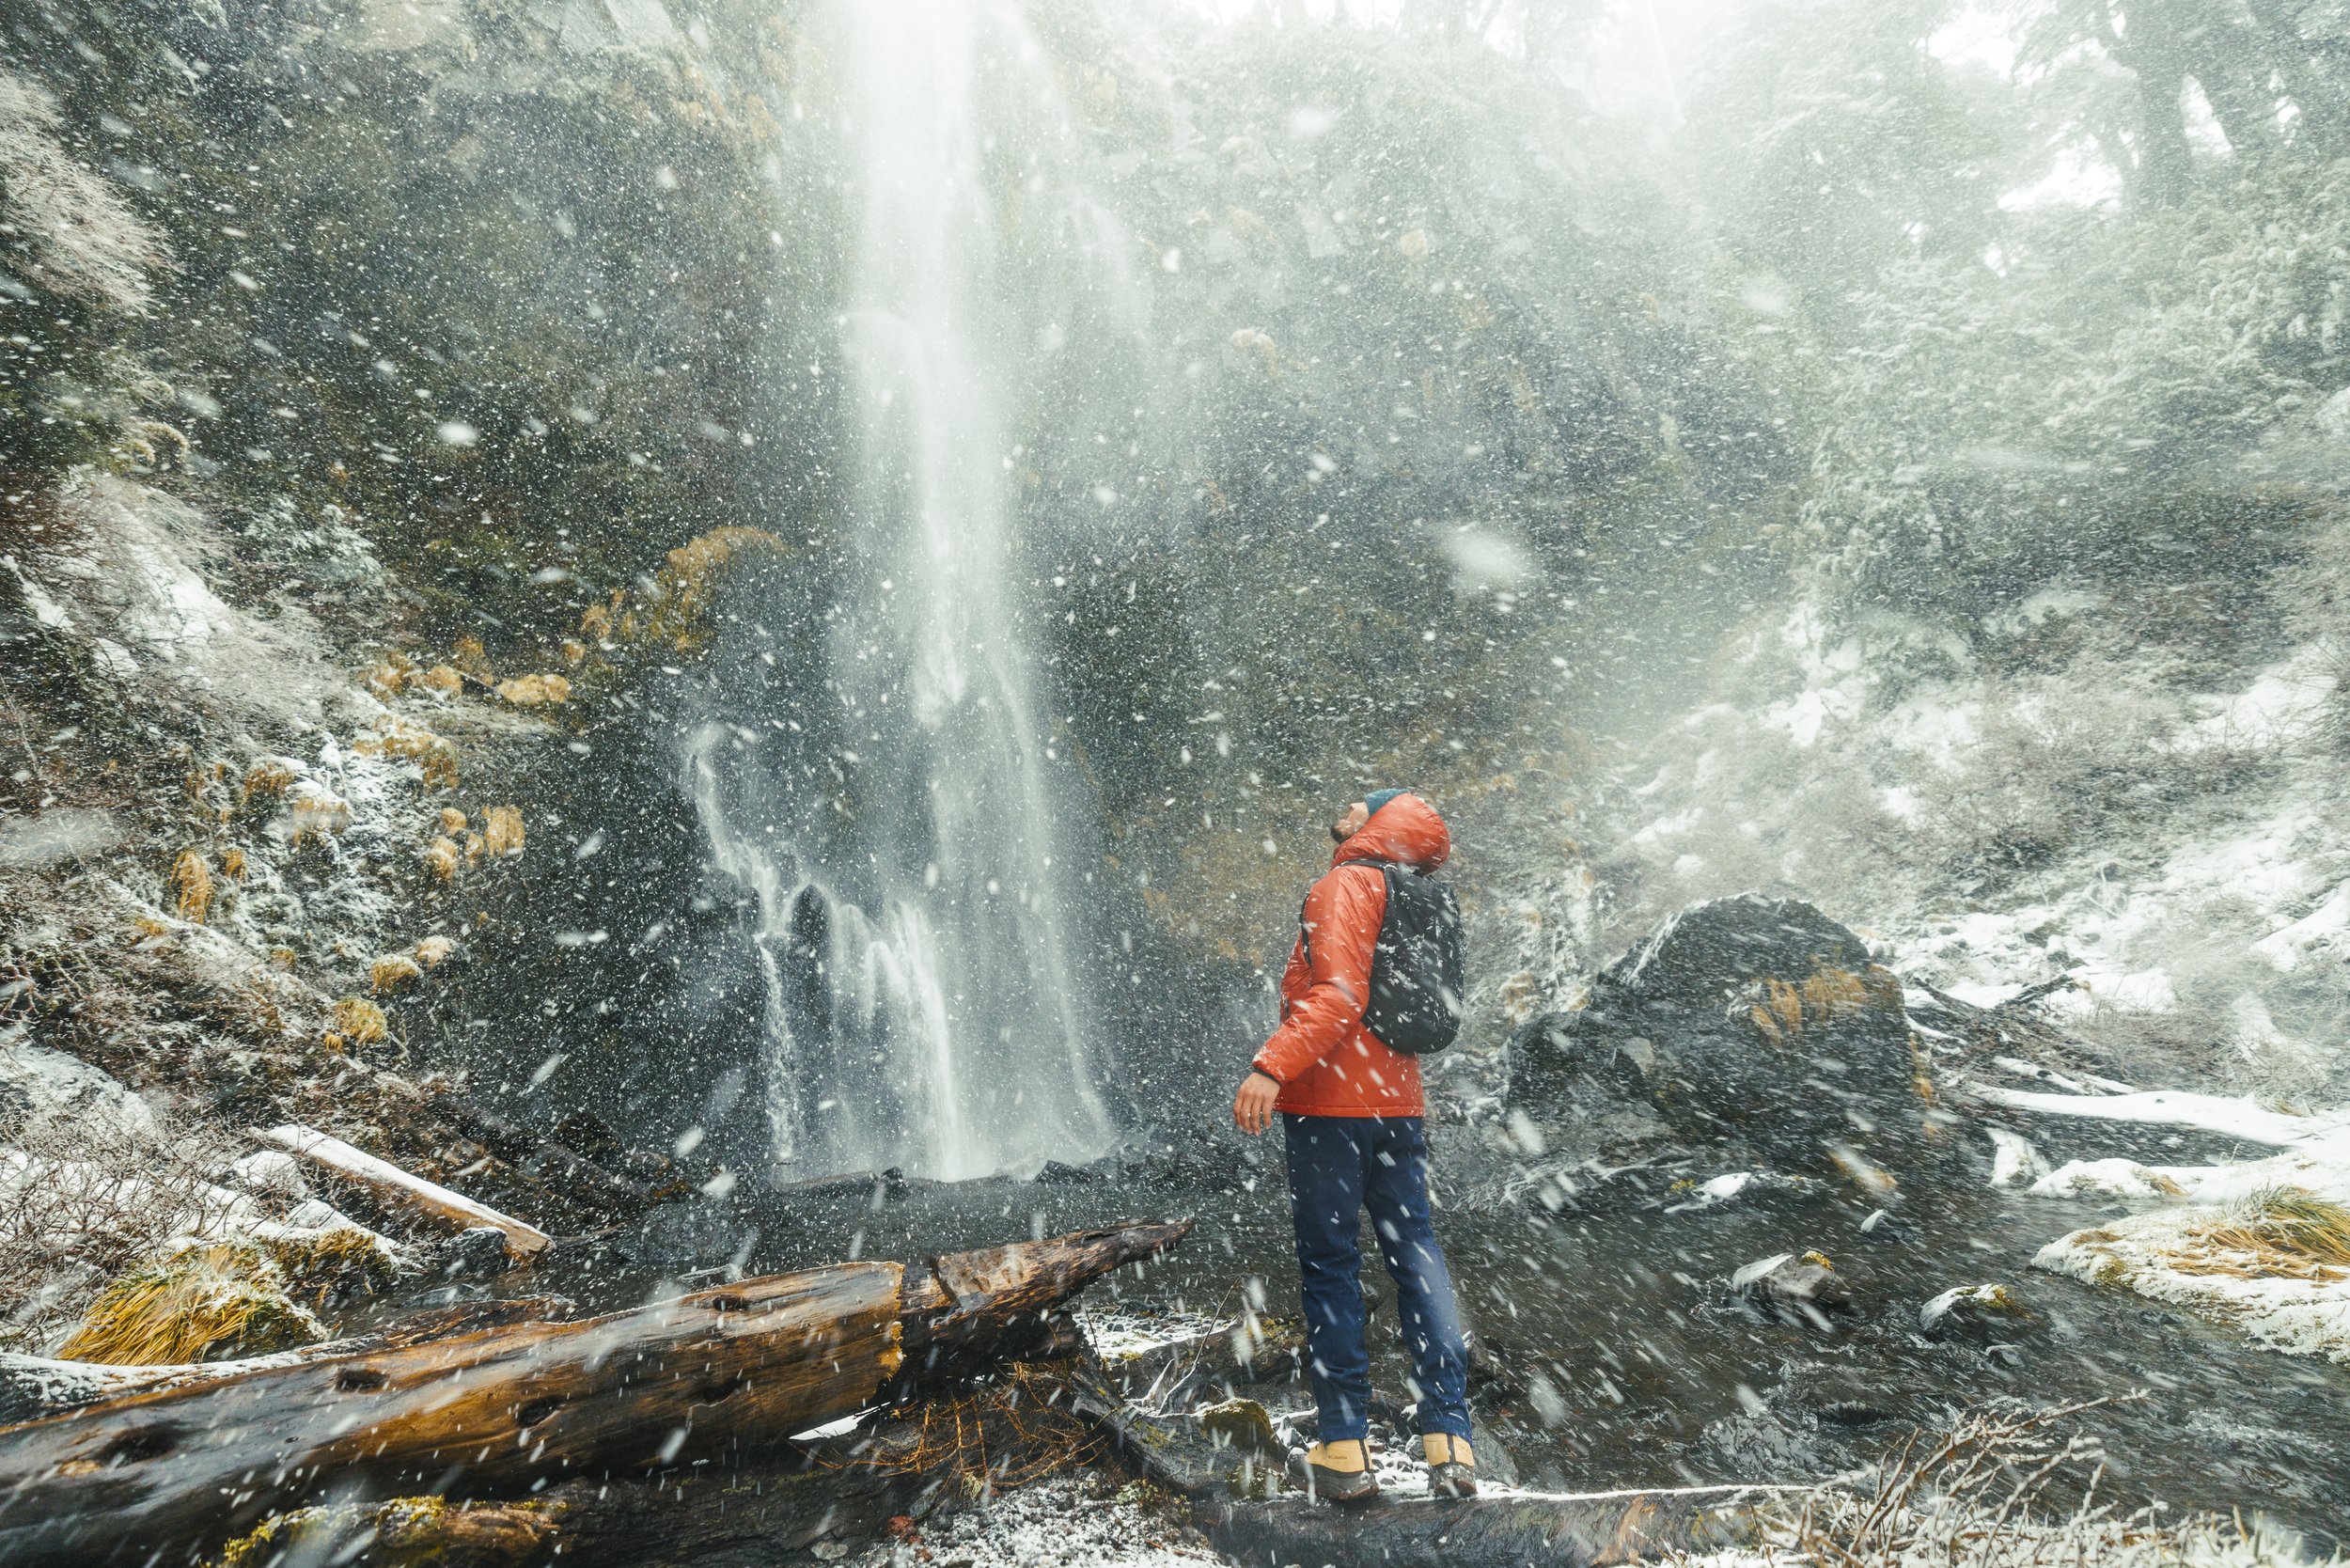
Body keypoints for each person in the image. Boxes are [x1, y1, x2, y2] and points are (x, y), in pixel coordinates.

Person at [1232, 789, 1477, 1504]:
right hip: (1398, 1102)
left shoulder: (1344, 884)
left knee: (1332, 1265)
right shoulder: (1422, 897)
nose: (1339, 809)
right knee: (1417, 1254)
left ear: (1373, 823)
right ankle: (1450, 1439)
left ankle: (1344, 1446)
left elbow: (1337, 997)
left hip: (1331, 1109)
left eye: (1353, 804)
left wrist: (1270, 1066)